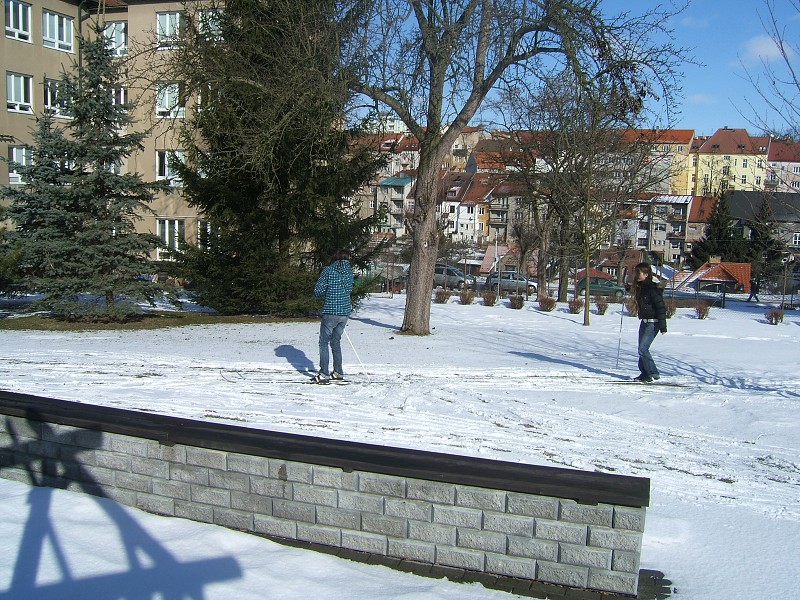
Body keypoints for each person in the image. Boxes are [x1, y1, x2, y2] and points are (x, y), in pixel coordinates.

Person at [311, 249, 354, 384]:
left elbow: (318, 291)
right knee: (336, 342)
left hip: (331, 312)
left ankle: (324, 373)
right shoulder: (350, 273)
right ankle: (338, 372)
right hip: (344, 313)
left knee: (324, 342)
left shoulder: (328, 271)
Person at [630, 262, 667, 383]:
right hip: (644, 322)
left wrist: (663, 326)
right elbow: (634, 289)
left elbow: (660, 307)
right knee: (641, 350)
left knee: (643, 349)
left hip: (653, 323)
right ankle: (645, 374)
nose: (636, 275)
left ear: (646, 274)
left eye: (638, 273)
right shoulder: (641, 287)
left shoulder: (652, 289)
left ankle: (653, 372)